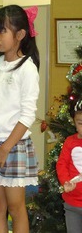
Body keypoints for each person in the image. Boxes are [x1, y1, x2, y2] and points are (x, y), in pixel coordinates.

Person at [0, 5, 40, 233]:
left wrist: (5, 148)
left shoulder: (27, 68)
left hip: (13, 146)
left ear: (20, 35)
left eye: (2, 32)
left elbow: (27, 116)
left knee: (16, 208)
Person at [56, 98, 82, 233]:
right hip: (72, 203)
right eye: (81, 123)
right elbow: (62, 164)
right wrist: (65, 181)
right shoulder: (70, 142)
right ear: (75, 123)